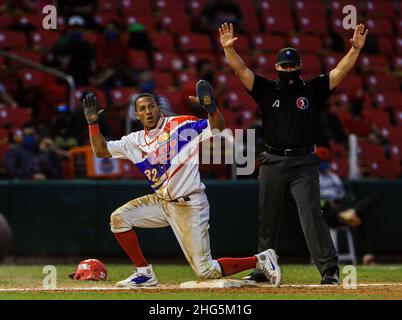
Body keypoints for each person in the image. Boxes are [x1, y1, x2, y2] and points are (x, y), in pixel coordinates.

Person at [82, 80, 281, 287]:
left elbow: (218, 127)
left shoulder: (182, 125)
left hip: (189, 204)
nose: (148, 111)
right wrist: (92, 123)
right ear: (137, 115)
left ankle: (261, 260)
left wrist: (211, 108)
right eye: (142, 109)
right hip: (161, 202)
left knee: (206, 271)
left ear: (159, 108)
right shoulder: (134, 140)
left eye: (151, 106)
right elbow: (101, 150)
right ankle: (144, 272)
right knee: (118, 219)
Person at [219, 22, 369, 284]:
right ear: (276, 68)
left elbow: (340, 71)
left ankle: (329, 270)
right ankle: (263, 268)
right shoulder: (266, 90)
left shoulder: (311, 90)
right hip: (273, 159)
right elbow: (240, 69)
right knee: (268, 217)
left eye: (292, 66)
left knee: (311, 214)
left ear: (299, 67)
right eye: (284, 66)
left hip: (303, 162)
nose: (288, 70)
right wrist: (228, 49)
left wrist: (354, 50)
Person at [316, 147, 378, 265]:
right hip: (327, 213)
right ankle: (349, 213)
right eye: (321, 161)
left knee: (368, 205)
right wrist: (328, 203)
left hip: (341, 207)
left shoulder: (334, 177)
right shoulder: (312, 177)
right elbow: (313, 200)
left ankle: (367, 255)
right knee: (326, 206)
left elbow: (343, 194)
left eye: (325, 161)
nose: (324, 164)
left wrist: (345, 200)